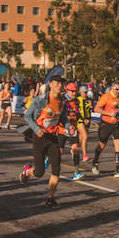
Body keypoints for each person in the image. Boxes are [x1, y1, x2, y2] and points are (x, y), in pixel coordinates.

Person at [19, 75, 69, 208]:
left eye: (61, 83)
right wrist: (36, 129)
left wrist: (69, 127)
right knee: (39, 172)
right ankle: (27, 172)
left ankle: (50, 198)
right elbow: (27, 116)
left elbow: (64, 119)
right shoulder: (40, 100)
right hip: (40, 138)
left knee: (56, 169)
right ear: (50, 84)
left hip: (53, 138)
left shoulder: (62, 101)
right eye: (57, 83)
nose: (60, 85)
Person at [92, 81, 119, 178]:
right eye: (116, 89)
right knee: (102, 145)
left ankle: (118, 169)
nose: (118, 91)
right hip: (106, 124)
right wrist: (109, 113)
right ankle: (95, 162)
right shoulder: (106, 96)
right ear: (112, 88)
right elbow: (96, 109)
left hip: (117, 124)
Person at [77, 85, 93, 162]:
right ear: (80, 92)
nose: (85, 94)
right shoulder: (77, 100)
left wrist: (88, 119)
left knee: (81, 138)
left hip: (87, 121)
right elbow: (77, 111)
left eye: (86, 92)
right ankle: (85, 155)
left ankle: (74, 148)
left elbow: (90, 111)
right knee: (85, 137)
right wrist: (82, 119)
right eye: (84, 92)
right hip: (80, 120)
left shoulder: (88, 100)